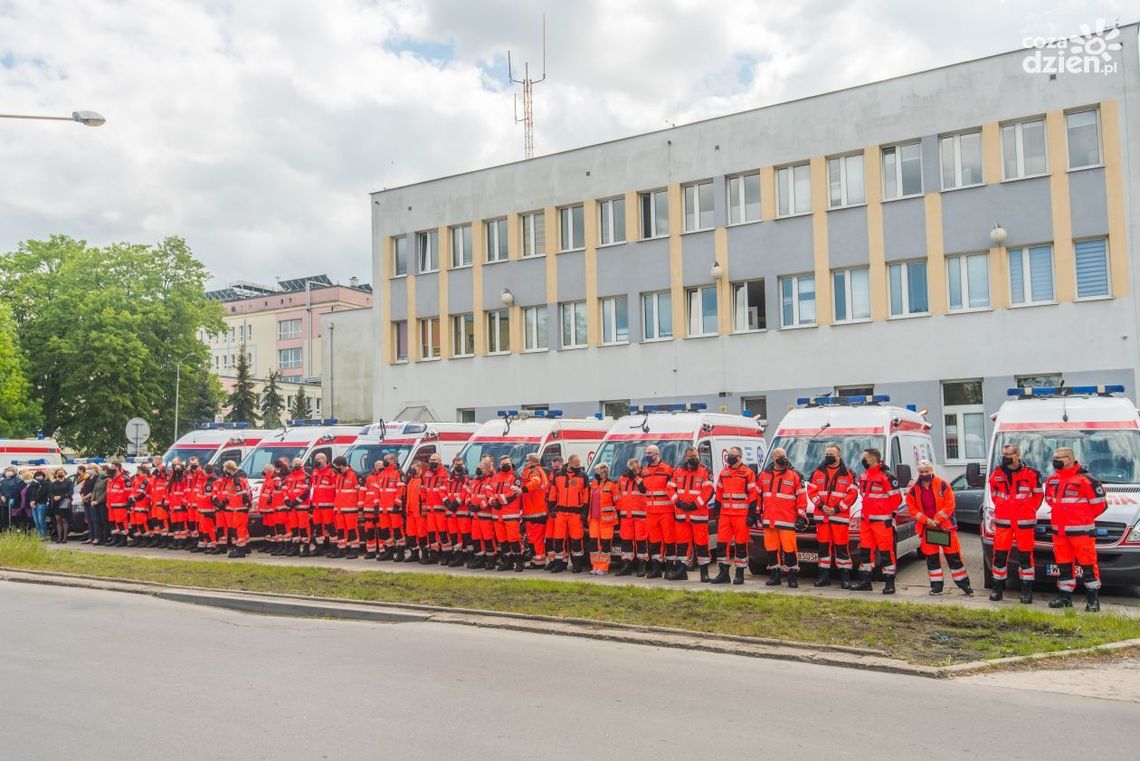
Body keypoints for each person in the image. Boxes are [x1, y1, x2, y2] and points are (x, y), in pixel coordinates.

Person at [1044, 447, 1106, 612]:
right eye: (1054, 457)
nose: (1055, 460)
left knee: (1088, 565)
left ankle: (1093, 600)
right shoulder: (1052, 480)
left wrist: (1081, 518)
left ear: (1070, 459)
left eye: (1059, 457)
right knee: (1063, 565)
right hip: (1060, 533)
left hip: (1082, 533)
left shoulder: (1087, 479)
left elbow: (1100, 505)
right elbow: (1050, 501)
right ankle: (1065, 597)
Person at [905, 460, 973, 596]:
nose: (924, 474)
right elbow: (912, 509)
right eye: (921, 472)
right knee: (932, 558)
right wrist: (926, 520)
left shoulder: (942, 484)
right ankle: (936, 587)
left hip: (944, 527)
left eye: (927, 471)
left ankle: (964, 585)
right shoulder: (913, 489)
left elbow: (950, 503)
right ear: (918, 472)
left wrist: (936, 519)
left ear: (932, 471)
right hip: (927, 528)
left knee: (954, 556)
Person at [988, 442, 1043, 603]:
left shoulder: (1032, 474)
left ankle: (1026, 592)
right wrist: (1004, 507)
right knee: (999, 556)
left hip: (1024, 523)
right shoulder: (996, 474)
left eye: (1008, 455)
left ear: (1017, 455)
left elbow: (1038, 496)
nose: (1004, 458)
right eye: (1003, 455)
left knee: (1026, 557)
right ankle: (997, 590)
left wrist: (1027, 510)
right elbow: (994, 495)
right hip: (1003, 522)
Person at [754, 447, 808, 587]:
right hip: (769, 520)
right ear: (773, 458)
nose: (782, 458)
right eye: (779, 455)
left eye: (784, 455)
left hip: (787, 520)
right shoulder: (764, 475)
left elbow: (802, 498)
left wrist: (801, 516)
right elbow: (757, 496)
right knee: (771, 549)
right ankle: (775, 576)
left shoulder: (795, 475)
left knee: (790, 550)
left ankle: (792, 577)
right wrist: (756, 512)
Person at [851, 448, 902, 594]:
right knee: (865, 552)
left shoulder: (887, 476)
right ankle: (865, 581)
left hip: (881, 522)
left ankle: (889, 583)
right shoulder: (863, 476)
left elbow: (896, 498)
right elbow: (863, 496)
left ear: (873, 459)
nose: (863, 460)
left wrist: (888, 515)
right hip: (866, 521)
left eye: (865, 457)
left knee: (886, 553)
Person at [806, 444, 858, 588]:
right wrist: (822, 506)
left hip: (839, 518)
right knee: (823, 548)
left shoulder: (849, 474)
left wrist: (836, 509)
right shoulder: (816, 473)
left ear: (838, 456)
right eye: (827, 453)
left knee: (842, 548)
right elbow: (811, 492)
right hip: (822, 517)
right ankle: (824, 577)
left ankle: (845, 578)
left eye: (831, 454)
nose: (828, 456)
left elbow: (852, 495)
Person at [711, 447, 756, 585]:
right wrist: (717, 513)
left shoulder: (748, 473)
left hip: (741, 516)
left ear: (740, 457)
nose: (729, 457)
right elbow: (718, 494)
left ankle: (739, 573)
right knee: (721, 544)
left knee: (741, 545)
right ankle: (723, 573)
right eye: (729, 455)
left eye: (733, 455)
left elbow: (753, 495)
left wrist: (751, 515)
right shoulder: (724, 473)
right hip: (725, 515)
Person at [669, 447, 714, 581]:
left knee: (702, 545)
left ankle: (704, 573)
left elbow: (708, 491)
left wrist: (695, 504)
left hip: (698, 515)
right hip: (682, 515)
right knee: (682, 544)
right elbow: (669, 488)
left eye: (695, 456)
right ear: (685, 457)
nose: (693, 458)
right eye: (690, 456)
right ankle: (681, 571)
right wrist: (677, 502)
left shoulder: (705, 471)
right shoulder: (678, 471)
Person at [548, 453, 589, 573]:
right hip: (560, 513)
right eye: (576, 464)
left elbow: (586, 496)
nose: (578, 466)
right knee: (559, 540)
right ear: (569, 463)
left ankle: (577, 565)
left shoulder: (583, 476)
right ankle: (559, 564)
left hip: (575, 514)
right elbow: (552, 493)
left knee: (576, 540)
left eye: (579, 464)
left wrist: (584, 512)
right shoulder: (558, 475)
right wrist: (551, 509)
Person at [640, 445, 676, 579]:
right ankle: (656, 569)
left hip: (666, 511)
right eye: (646, 452)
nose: (647, 455)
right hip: (651, 512)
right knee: (654, 542)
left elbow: (673, 489)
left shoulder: (667, 470)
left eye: (649, 453)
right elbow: (644, 489)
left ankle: (670, 569)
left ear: (657, 454)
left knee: (669, 541)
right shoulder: (645, 471)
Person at [488, 454, 524, 571]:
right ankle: (507, 562)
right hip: (497, 515)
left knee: (514, 539)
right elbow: (488, 490)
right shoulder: (495, 477)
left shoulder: (516, 477)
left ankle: (519, 562)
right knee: (502, 540)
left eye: (507, 463)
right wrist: (493, 501)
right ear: (500, 465)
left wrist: (498, 501)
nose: (505, 465)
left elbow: (513, 494)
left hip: (510, 515)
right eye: (503, 464)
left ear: (511, 463)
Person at [614, 459, 648, 576]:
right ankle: (626, 566)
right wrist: (619, 511)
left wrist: (635, 477)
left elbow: (644, 489)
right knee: (626, 542)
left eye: (636, 468)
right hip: (625, 516)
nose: (634, 470)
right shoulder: (622, 479)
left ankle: (642, 566)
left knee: (640, 541)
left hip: (640, 516)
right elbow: (618, 495)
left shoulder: (643, 477)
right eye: (632, 469)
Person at [587, 463, 620, 575]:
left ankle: (604, 567)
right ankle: (595, 565)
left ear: (603, 473)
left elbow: (618, 503)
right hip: (593, 519)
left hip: (607, 520)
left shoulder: (611, 485)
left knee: (606, 544)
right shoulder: (594, 484)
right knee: (594, 543)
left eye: (597, 472)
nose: (595, 474)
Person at [519, 453, 550, 568]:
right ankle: (536, 561)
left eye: (527, 460)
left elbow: (535, 482)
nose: (526, 463)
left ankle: (539, 562)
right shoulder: (538, 470)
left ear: (531, 461)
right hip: (534, 511)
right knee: (533, 538)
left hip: (535, 512)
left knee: (536, 539)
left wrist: (523, 489)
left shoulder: (535, 471)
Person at [373, 454, 405, 561]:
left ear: (392, 460)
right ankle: (389, 551)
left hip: (394, 508)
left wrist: (397, 503)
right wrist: (376, 505)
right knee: (384, 531)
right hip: (383, 508)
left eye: (386, 459)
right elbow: (377, 490)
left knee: (397, 531)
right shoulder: (382, 474)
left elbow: (401, 489)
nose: (384, 461)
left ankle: (401, 553)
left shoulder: (398, 473)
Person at [218, 460, 252, 558]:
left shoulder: (236, 480)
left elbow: (241, 494)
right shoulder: (242, 478)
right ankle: (243, 548)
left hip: (239, 508)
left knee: (240, 529)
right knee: (242, 528)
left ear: (229, 469)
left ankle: (241, 550)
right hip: (240, 508)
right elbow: (233, 494)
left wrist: (245, 504)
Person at [331, 455, 362, 559]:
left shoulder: (354, 475)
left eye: (335, 466)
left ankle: (354, 550)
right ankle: (341, 549)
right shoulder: (339, 476)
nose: (334, 468)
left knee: (352, 530)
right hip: (339, 508)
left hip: (350, 509)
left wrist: (360, 507)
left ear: (341, 466)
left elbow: (360, 492)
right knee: (340, 530)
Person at [421, 453, 450, 564]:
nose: (432, 461)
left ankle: (446, 555)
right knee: (432, 534)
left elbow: (447, 491)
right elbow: (423, 490)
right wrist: (424, 506)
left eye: (435, 460)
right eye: (431, 459)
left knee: (443, 533)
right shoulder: (427, 474)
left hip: (441, 509)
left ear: (440, 461)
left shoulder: (445, 474)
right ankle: (434, 554)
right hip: (430, 509)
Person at [445, 458, 472, 566]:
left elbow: (466, 492)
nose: (459, 466)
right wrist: (447, 503)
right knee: (454, 536)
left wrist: (456, 503)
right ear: (453, 465)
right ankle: (458, 556)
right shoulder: (448, 478)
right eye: (457, 464)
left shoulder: (466, 478)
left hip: (462, 511)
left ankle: (470, 556)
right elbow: (442, 490)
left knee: (466, 536)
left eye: (461, 464)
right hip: (451, 512)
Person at [282, 458, 312, 557]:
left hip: (302, 506)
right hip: (291, 506)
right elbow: (285, 489)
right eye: (295, 464)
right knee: (294, 528)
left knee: (303, 528)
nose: (297, 465)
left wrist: (295, 502)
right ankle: (296, 548)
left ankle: (306, 548)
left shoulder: (306, 477)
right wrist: (286, 500)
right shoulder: (289, 477)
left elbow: (306, 492)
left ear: (302, 464)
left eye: (299, 464)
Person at [310, 453, 337, 555]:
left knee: (330, 528)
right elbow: (314, 489)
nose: (316, 461)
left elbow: (335, 489)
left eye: (318, 459)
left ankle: (334, 548)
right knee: (317, 528)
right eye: (316, 459)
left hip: (328, 505)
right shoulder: (315, 472)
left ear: (324, 460)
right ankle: (319, 548)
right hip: (316, 506)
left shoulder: (331, 472)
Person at [401, 460, 426, 563]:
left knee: (422, 534)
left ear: (419, 468)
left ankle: (425, 555)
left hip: (419, 512)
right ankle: (414, 554)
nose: (412, 470)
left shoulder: (422, 480)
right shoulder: (410, 480)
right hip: (410, 512)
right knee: (410, 534)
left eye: (414, 467)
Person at [167, 461, 191, 550]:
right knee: (174, 525)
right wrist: (167, 503)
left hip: (181, 506)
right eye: (175, 469)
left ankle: (182, 542)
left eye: (178, 469)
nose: (177, 471)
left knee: (181, 525)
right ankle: (176, 542)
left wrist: (184, 502)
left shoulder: (184, 479)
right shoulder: (172, 480)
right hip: (172, 506)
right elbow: (168, 492)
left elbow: (186, 492)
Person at [48, 467, 74, 544]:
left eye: (62, 472)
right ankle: (59, 537)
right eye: (58, 472)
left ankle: (65, 537)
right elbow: (50, 492)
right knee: (58, 519)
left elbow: (70, 492)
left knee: (64, 519)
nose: (60, 473)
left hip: (64, 502)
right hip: (56, 503)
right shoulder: (54, 483)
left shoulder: (68, 482)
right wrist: (53, 497)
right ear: (56, 474)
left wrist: (61, 497)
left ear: (64, 473)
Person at [27, 470, 50, 540]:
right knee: (36, 521)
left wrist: (35, 501)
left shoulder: (46, 484)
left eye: (40, 476)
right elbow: (30, 494)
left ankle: (44, 535)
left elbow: (43, 494)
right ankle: (39, 535)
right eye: (37, 476)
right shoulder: (33, 484)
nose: (38, 477)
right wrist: (31, 501)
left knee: (41, 520)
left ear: (43, 476)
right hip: (34, 504)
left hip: (41, 503)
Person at [89, 465, 109, 545]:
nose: (100, 471)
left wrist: (98, 501)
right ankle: (98, 537)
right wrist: (92, 500)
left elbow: (105, 492)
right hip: (95, 503)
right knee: (96, 521)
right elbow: (94, 490)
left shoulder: (107, 479)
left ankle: (105, 538)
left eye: (102, 470)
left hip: (102, 503)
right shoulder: (99, 478)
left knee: (104, 521)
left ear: (106, 470)